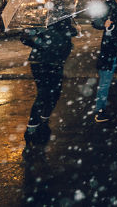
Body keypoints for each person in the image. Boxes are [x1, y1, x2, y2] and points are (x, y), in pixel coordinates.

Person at [20, 16, 78, 145]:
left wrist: (74, 31)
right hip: (45, 63)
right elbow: (26, 38)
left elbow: (63, 41)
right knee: (45, 94)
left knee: (53, 93)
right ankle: (32, 127)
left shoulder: (59, 23)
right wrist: (36, 38)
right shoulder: (47, 24)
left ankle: (42, 121)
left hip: (50, 63)